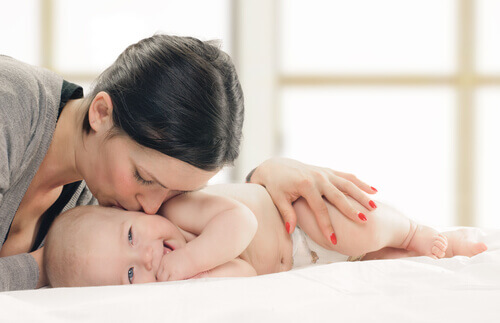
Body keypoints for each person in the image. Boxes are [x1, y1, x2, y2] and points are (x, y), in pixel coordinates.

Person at [0, 34, 377, 291]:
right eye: (143, 177)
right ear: (101, 113)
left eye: (176, 191)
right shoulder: (10, 104)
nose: (151, 207)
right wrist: (48, 265)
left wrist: (261, 181)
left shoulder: (98, 198)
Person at [44, 183, 487, 286]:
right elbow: (238, 271)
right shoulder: (175, 283)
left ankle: (413, 231)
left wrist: (184, 264)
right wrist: (194, 278)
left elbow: (242, 226)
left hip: (299, 222)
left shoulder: (178, 207)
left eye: (129, 237)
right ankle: (430, 254)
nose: (146, 257)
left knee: (359, 229)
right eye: (128, 275)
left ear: (125, 210)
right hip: (301, 264)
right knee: (377, 266)